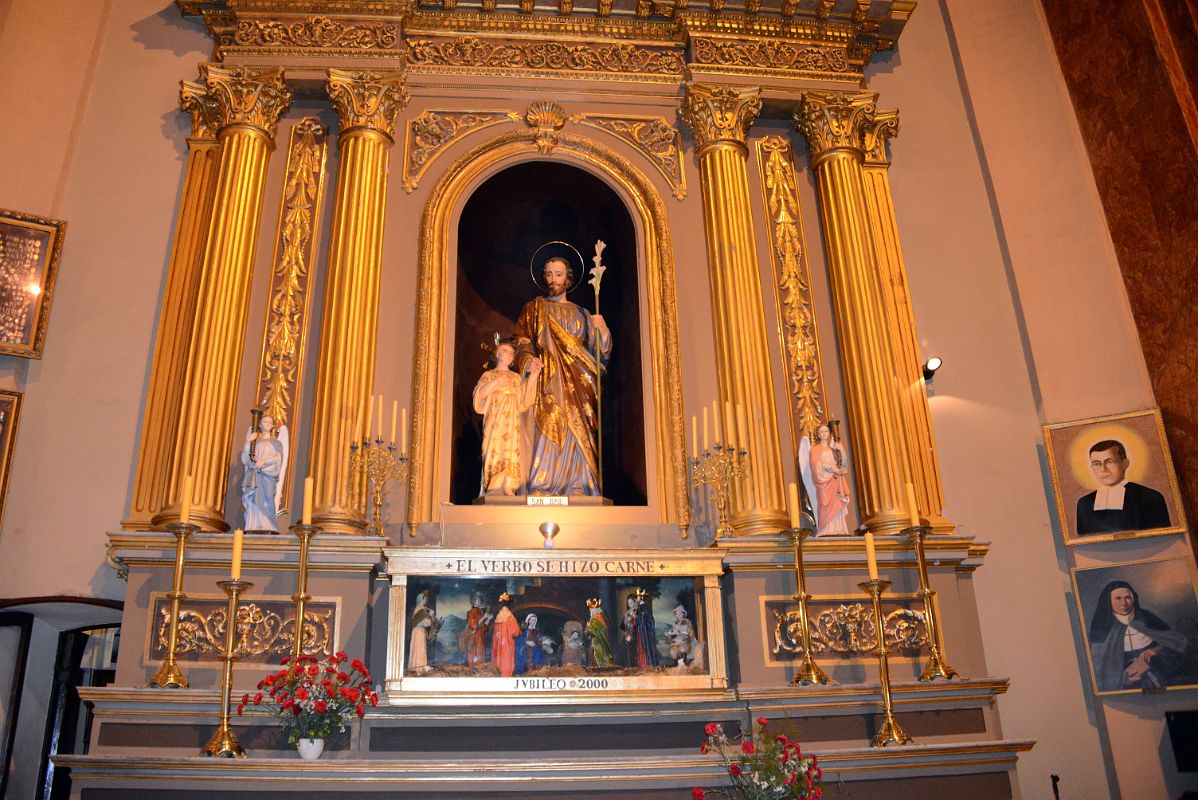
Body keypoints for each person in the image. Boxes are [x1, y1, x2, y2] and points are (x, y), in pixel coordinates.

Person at [514, 255, 612, 497]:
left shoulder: (583, 313)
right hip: (547, 379)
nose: (553, 279)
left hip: (579, 384)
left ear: (568, 278)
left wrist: (603, 331)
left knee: (577, 431)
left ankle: (579, 485)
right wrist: (527, 361)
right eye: (548, 274)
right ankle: (542, 485)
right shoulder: (533, 309)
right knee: (547, 425)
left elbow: (599, 356)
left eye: (558, 274)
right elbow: (522, 342)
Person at [1089, 580, 1191, 692]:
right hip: (1126, 684)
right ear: (1109, 601)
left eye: (1127, 597)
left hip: (1158, 672)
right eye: (1118, 598)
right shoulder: (1103, 626)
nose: (1124, 603)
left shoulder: (1147, 618)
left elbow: (1179, 643)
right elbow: (1100, 670)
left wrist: (1157, 650)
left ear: (1133, 598)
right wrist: (1123, 681)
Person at [473, 338, 540, 496]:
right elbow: (479, 395)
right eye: (505, 350)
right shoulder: (489, 375)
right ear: (497, 353)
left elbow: (525, 400)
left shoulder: (516, 378)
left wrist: (533, 377)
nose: (509, 354)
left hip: (512, 423)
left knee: (511, 450)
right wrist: (495, 383)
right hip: (495, 422)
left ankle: (508, 485)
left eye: (511, 352)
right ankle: (494, 485)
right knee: (494, 449)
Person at [1076, 439, 1170, 535]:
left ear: (1125, 464)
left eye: (1109, 462)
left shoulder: (1150, 497)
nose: (1103, 469)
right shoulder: (1085, 503)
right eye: (1096, 464)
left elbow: (1160, 537)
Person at [240, 412, 285, 533]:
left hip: (268, 477)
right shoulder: (256, 442)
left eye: (270, 422)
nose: (268, 424)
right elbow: (246, 459)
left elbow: (278, 459)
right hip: (255, 475)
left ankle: (268, 524)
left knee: (268, 499)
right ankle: (253, 523)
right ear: (260, 425)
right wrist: (248, 442)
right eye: (265, 422)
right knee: (253, 498)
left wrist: (264, 462)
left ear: (273, 426)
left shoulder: (277, 443)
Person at [809, 423, 850, 537]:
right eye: (821, 431)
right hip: (824, 483)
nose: (824, 433)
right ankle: (825, 529)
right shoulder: (815, 450)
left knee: (837, 504)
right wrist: (831, 468)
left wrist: (841, 450)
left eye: (826, 431)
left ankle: (838, 529)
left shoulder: (834, 449)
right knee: (824, 503)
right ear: (818, 434)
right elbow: (815, 465)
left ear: (829, 433)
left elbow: (843, 465)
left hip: (836, 481)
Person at [491, 592, 520, 677]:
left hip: (498, 645)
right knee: (506, 665)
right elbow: (515, 632)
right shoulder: (510, 616)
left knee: (499, 664)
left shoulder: (498, 616)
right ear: (509, 604)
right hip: (506, 646)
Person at [459, 592, 492, 667]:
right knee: (474, 654)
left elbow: (483, 627)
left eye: (480, 600)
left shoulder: (480, 611)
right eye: (477, 600)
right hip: (473, 637)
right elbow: (473, 625)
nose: (479, 602)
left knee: (480, 654)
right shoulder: (471, 612)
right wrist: (484, 617)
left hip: (480, 637)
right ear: (473, 601)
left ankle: (479, 670)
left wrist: (488, 619)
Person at [408, 590, 436, 672]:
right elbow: (426, 623)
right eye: (424, 599)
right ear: (421, 599)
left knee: (418, 648)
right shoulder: (420, 609)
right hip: (419, 631)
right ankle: (418, 667)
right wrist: (430, 616)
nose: (426, 600)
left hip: (418, 631)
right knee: (419, 648)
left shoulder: (419, 609)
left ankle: (417, 666)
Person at [633, 588, 659, 669]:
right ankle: (642, 665)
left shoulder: (644, 607)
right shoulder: (640, 607)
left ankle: (647, 665)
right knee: (641, 648)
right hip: (641, 632)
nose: (636, 599)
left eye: (637, 597)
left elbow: (646, 620)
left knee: (644, 649)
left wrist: (636, 617)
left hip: (645, 633)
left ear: (641, 598)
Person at [585, 598, 615, 668]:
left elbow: (593, 630)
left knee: (598, 654)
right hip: (597, 640)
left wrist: (588, 629)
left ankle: (599, 666)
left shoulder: (596, 618)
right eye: (591, 610)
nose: (591, 612)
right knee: (594, 654)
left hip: (598, 640)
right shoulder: (598, 617)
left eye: (592, 610)